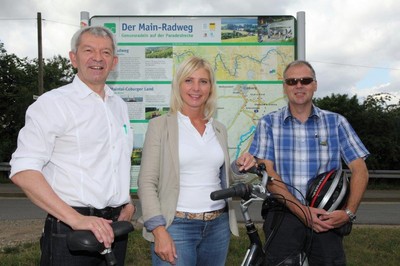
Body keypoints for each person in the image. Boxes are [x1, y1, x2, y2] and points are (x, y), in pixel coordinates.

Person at [9, 26, 135, 265]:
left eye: (105, 52)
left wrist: (126, 203)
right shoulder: (52, 104)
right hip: (72, 230)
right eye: (89, 50)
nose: (98, 58)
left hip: (115, 229)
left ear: (114, 61)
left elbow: (114, 161)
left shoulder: (119, 106)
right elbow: (23, 171)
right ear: (74, 58)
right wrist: (76, 220)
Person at [247, 60, 370, 265]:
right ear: (285, 87)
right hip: (282, 216)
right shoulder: (268, 123)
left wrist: (348, 213)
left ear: (315, 85)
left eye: (305, 80)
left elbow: (360, 170)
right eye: (292, 81)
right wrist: (303, 211)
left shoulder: (337, 122)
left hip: (326, 218)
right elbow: (267, 173)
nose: (299, 85)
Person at [137, 56, 255, 266]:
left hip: (218, 226)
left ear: (210, 88)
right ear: (178, 85)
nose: (196, 88)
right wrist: (158, 229)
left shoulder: (218, 128)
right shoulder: (160, 126)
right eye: (189, 80)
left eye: (203, 81)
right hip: (175, 226)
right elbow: (146, 182)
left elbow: (221, 176)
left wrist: (238, 166)